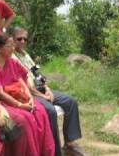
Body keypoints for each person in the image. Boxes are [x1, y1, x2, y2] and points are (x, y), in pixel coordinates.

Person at [10, 27, 85, 156]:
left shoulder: (25, 54)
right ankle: (54, 151)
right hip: (29, 93)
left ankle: (69, 143)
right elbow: (24, 84)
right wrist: (42, 95)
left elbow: (37, 74)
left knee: (71, 102)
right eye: (19, 38)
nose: (22, 41)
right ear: (12, 39)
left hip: (40, 89)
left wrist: (48, 89)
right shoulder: (11, 57)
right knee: (50, 110)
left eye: (25, 39)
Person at [0, 34, 55, 156]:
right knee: (25, 119)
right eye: (9, 45)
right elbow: (0, 92)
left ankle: (45, 152)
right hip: (5, 101)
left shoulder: (11, 61)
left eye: (12, 45)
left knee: (40, 111)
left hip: (21, 96)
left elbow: (21, 80)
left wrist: (30, 98)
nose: (12, 48)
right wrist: (20, 105)